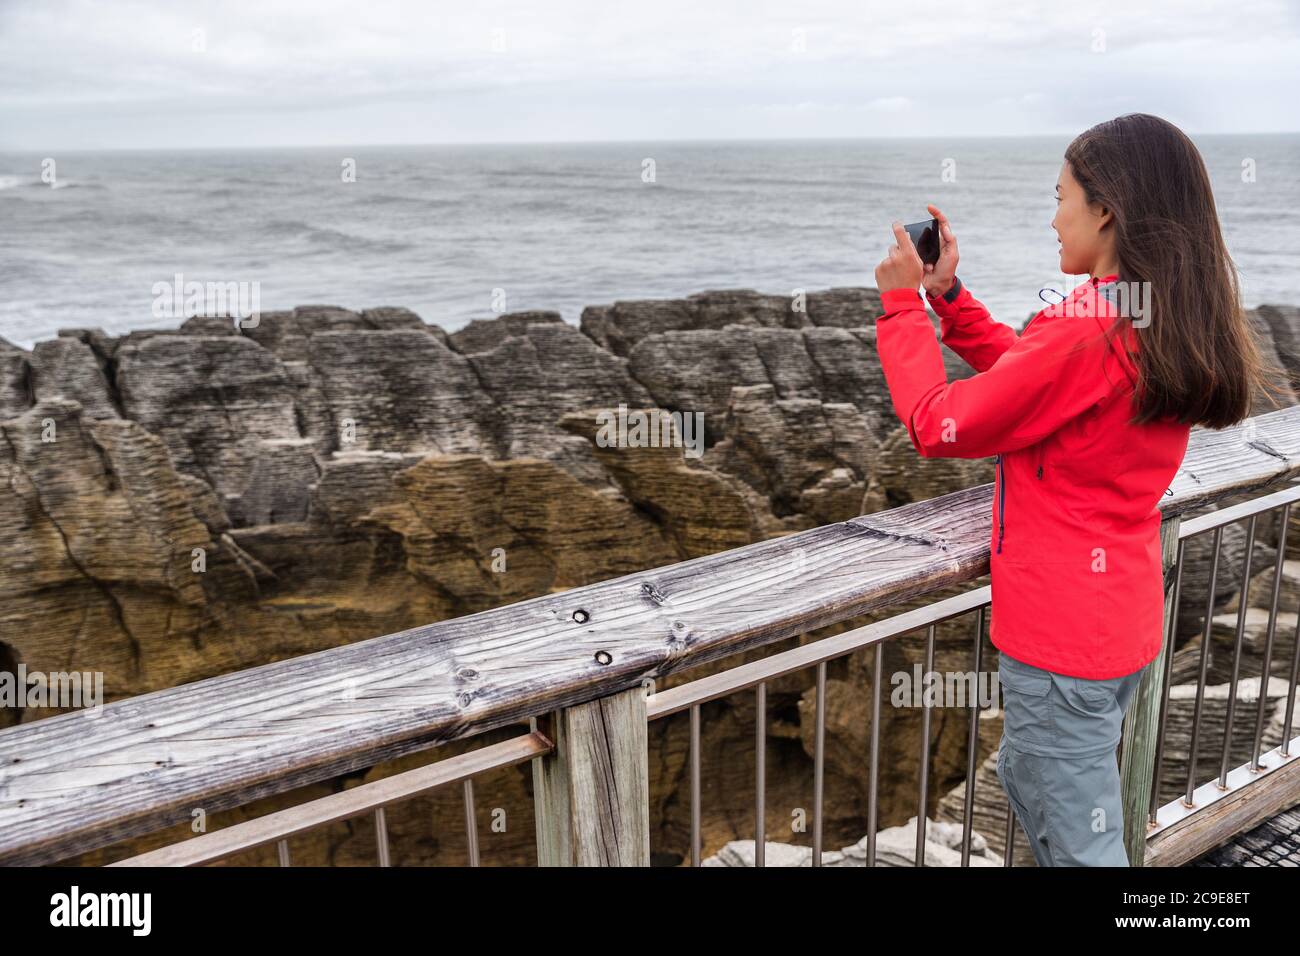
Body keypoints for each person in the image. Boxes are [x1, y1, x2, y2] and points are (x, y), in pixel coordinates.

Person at [870, 113, 1285, 866]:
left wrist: (903, 307)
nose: (1052, 215)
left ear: (1107, 209)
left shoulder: (1094, 323)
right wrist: (951, 300)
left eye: (1061, 196)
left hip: (1062, 639)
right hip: (1116, 621)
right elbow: (1038, 378)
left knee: (1082, 842)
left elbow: (941, 426)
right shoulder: (1146, 312)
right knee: (1038, 782)